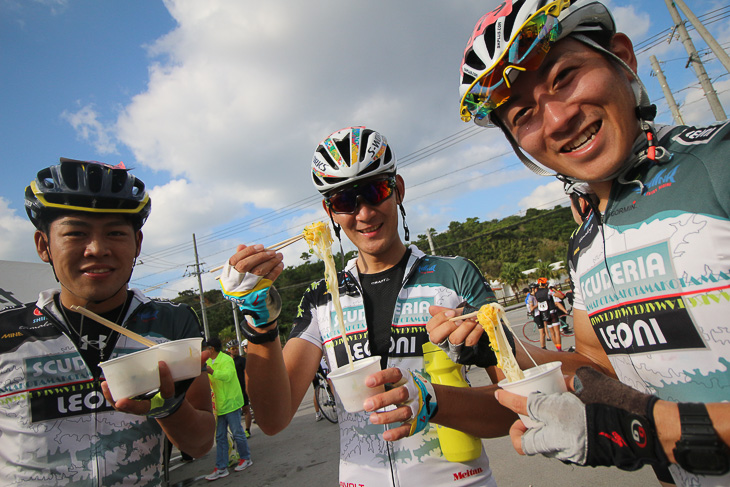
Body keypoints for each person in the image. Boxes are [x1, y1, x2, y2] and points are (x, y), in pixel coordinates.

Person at [368, 1, 730, 485]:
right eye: (524, 115)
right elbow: (596, 368)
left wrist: (649, 429)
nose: (557, 119)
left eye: (564, 77)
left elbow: (642, 421)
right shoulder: (585, 240)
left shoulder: (718, 163)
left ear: (623, 58)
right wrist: (497, 348)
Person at [217, 126, 515, 486]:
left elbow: (516, 405)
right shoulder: (322, 296)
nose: (364, 213)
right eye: (344, 202)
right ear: (330, 212)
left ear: (398, 190)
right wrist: (258, 325)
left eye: (375, 191)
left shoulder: (454, 275)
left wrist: (434, 402)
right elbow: (274, 417)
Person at [0, 158, 215, 485]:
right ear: (44, 246)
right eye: (76, 233)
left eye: (115, 232)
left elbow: (200, 445)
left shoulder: (172, 323)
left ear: (137, 245)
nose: (97, 249)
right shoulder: (8, 332)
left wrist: (166, 406)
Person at [205, 337, 253, 481]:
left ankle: (246, 458)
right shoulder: (206, 362)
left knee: (238, 432)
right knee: (220, 437)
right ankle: (221, 467)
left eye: (206, 348)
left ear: (211, 349)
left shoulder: (226, 360)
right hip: (218, 406)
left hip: (230, 403)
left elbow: (227, 376)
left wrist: (212, 371)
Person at [229, 340, 252, 437]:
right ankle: (237, 432)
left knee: (246, 409)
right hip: (232, 390)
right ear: (229, 350)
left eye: (237, 348)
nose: (235, 350)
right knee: (234, 413)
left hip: (242, 388)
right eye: (233, 349)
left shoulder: (242, 360)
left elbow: (248, 374)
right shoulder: (227, 361)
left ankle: (247, 430)